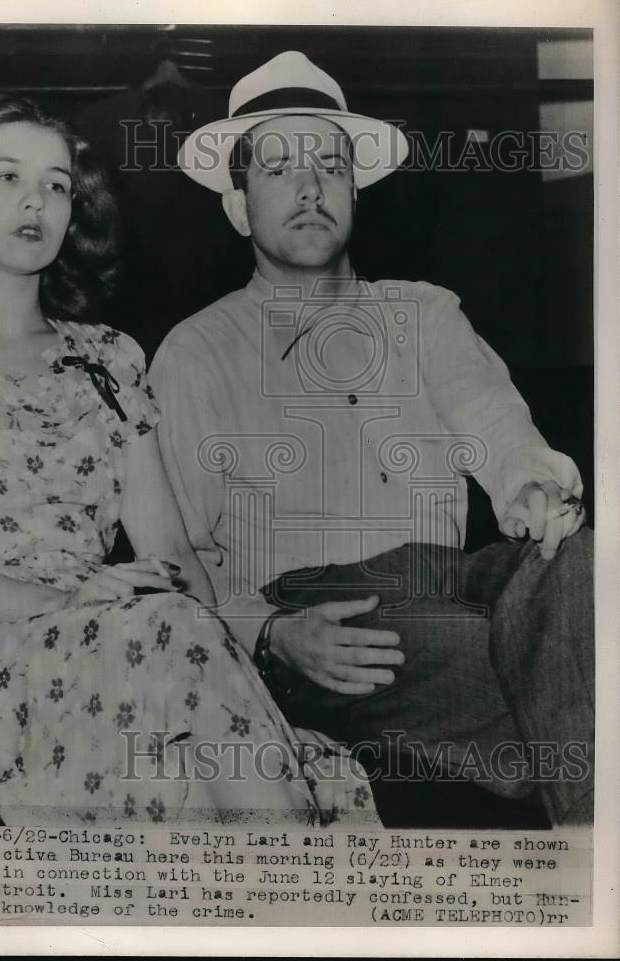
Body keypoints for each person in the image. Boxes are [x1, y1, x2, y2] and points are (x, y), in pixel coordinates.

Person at [0, 93, 380, 827]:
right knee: (174, 665)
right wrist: (72, 604)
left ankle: (269, 900)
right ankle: (302, 892)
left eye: (57, 184)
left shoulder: (108, 360)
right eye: (6, 177)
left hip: (130, 645)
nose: (35, 201)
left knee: (193, 753)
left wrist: (227, 640)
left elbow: (172, 554)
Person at [150, 52, 594, 825]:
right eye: (279, 169)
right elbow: (175, 559)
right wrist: (273, 635)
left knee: (584, 565)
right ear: (237, 208)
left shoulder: (424, 314)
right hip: (324, 611)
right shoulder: (196, 353)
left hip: (457, 579)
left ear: (356, 190)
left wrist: (532, 486)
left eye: (330, 164)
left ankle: (588, 831)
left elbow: (497, 424)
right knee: (548, 658)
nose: (310, 186)